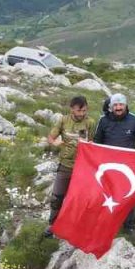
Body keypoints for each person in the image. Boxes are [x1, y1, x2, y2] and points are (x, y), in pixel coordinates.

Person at [94, 93, 135, 231]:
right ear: (111, 107)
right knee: (105, 195)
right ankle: (106, 224)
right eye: (115, 105)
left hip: (128, 167)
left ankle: (128, 226)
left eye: (121, 104)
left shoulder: (134, 120)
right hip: (107, 167)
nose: (118, 107)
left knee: (127, 195)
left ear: (125, 105)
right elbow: (96, 142)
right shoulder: (103, 121)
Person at [44, 96, 94, 238]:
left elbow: (92, 142)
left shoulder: (90, 122)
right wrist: (54, 143)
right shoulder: (63, 120)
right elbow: (50, 137)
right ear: (72, 109)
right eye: (79, 110)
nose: (82, 113)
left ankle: (75, 227)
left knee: (79, 199)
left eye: (84, 110)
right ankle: (52, 225)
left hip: (82, 168)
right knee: (57, 197)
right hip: (65, 165)